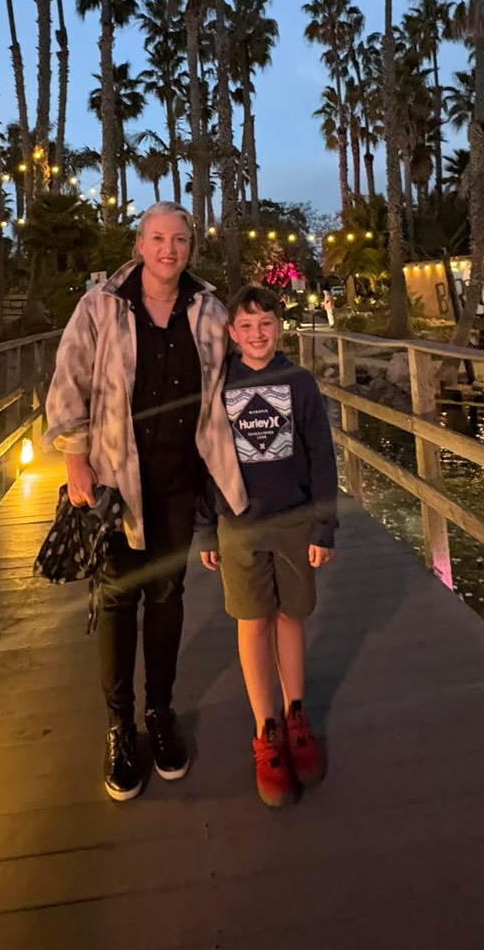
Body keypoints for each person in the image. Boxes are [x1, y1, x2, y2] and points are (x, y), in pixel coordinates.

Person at [43, 203, 249, 802]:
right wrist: (74, 454)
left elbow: (236, 377)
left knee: (167, 595)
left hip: (179, 480)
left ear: (190, 247)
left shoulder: (207, 310)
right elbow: (69, 380)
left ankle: (159, 713)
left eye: (179, 240)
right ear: (140, 242)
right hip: (115, 480)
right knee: (116, 597)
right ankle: (119, 725)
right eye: (158, 238)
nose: (168, 250)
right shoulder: (101, 305)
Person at [196, 284, 337, 807]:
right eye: (246, 326)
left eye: (266, 324)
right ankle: (267, 728)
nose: (257, 335)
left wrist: (324, 526)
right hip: (239, 522)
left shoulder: (299, 382)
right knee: (252, 619)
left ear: (279, 327)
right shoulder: (218, 385)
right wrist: (206, 527)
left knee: (290, 615)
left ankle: (297, 713)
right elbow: (203, 459)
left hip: (295, 519)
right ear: (231, 334)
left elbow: (321, 454)